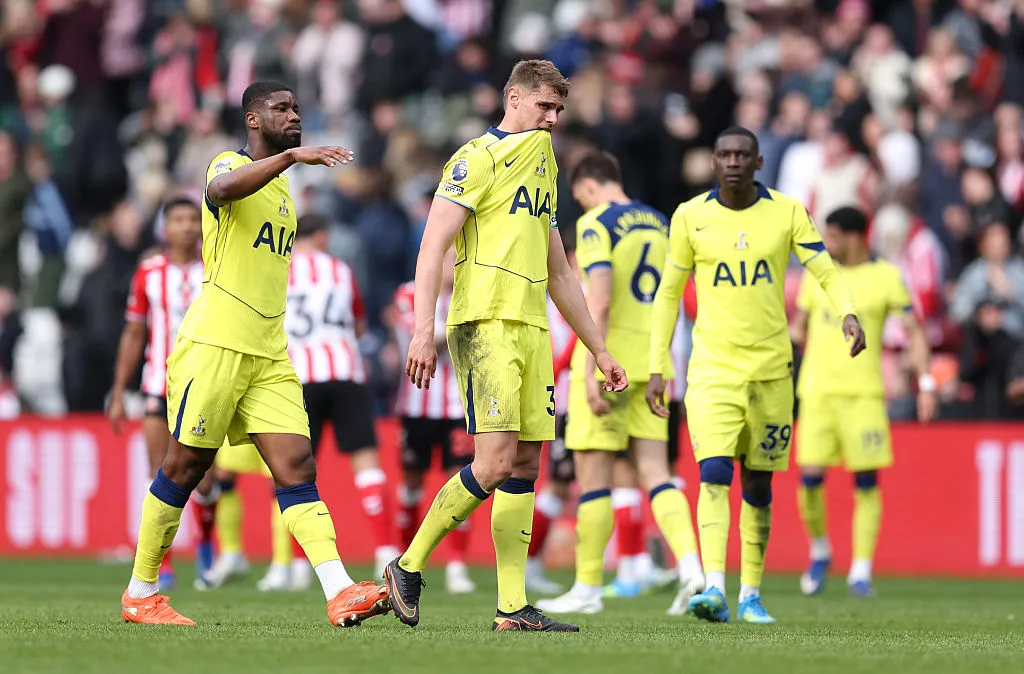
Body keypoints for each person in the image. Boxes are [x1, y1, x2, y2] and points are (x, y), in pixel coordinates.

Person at [119, 81, 389, 627]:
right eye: (281, 109)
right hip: (216, 341)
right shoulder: (229, 162)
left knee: (296, 465)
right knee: (186, 464)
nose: (294, 116)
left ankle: (338, 589)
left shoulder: (285, 193)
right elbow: (221, 191)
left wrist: (289, 164)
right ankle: (141, 591)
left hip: (269, 349)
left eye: (296, 109)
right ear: (252, 119)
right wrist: (291, 155)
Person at [387, 59, 627, 633]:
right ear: (512, 98)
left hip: (532, 329)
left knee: (525, 464)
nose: (552, 119)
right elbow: (432, 245)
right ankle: (408, 565)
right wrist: (424, 328)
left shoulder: (544, 164)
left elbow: (561, 272)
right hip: (484, 323)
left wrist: (598, 348)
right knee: (492, 463)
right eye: (543, 107)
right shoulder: (476, 157)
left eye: (559, 111)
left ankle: (511, 607)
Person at [647, 126, 866, 624]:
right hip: (712, 369)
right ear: (713, 162)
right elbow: (667, 294)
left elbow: (825, 269)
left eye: (742, 154)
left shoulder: (787, 211)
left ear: (758, 162)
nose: (732, 161)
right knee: (714, 473)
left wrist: (847, 311)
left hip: (771, 370)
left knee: (759, 485)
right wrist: (659, 364)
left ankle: (750, 593)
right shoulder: (690, 216)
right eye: (723, 153)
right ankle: (715, 589)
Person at [536, 151, 704, 616]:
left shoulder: (596, 225)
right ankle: (693, 575)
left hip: (609, 363)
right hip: (653, 362)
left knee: (594, 478)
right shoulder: (660, 223)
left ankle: (587, 588)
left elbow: (601, 300)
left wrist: (591, 367)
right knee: (657, 474)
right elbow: (673, 297)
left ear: (586, 187)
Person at [789, 206, 937, 597]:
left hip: (864, 396)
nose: (826, 244)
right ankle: (820, 550)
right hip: (817, 392)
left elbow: (915, 332)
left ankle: (860, 569)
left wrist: (925, 383)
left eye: (832, 236)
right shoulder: (816, 274)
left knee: (867, 483)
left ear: (853, 237)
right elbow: (798, 329)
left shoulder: (886, 277)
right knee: (809, 481)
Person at [108, 197, 218, 591]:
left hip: (206, 382)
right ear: (165, 228)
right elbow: (135, 332)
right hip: (159, 384)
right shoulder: (149, 272)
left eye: (193, 219)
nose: (187, 226)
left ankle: (206, 550)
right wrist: (119, 391)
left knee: (204, 477)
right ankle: (163, 565)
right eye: (178, 220)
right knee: (161, 474)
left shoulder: (217, 267)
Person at [392, 246, 476, 595]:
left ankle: (457, 566)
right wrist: (464, 328)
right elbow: (416, 340)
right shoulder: (409, 293)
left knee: (461, 483)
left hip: (459, 406)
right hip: (417, 402)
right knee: (411, 483)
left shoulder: (474, 290)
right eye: (450, 256)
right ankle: (403, 557)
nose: (455, 264)